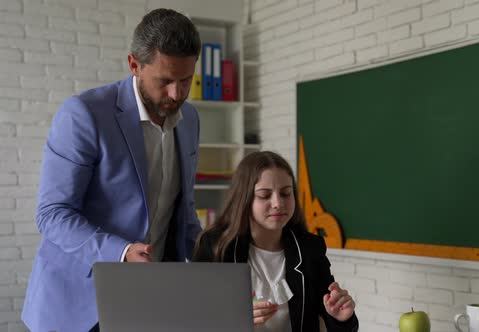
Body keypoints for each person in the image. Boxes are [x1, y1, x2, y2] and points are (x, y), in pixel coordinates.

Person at [21, 8, 202, 332]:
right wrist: (120, 252)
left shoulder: (191, 121)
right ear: (134, 65)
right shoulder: (84, 115)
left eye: (186, 80)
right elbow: (52, 213)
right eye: (165, 81)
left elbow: (183, 214)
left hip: (151, 302)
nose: (177, 94)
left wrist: (226, 261)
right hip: (77, 307)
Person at [193, 151, 359, 332]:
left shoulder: (310, 248)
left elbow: (337, 323)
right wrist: (236, 322)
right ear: (244, 199)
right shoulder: (215, 246)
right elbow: (196, 319)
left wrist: (343, 319)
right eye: (265, 195)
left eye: (286, 193)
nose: (278, 203)